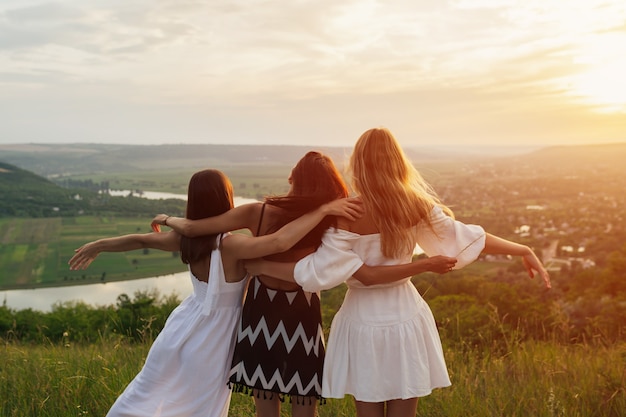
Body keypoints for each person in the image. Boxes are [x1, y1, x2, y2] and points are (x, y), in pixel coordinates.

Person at [244, 127, 552, 417]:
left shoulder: (349, 212)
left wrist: (260, 265)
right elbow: (466, 238)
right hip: (406, 317)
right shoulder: (415, 204)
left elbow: (319, 272)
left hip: (362, 322)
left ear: (358, 165)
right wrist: (522, 249)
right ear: (397, 162)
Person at [149, 152, 455, 417]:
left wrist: (168, 218)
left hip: (261, 307)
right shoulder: (327, 219)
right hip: (302, 306)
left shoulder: (259, 212)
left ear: (295, 178)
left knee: (264, 397)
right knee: (304, 397)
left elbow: (194, 227)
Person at [68, 168, 362, 417]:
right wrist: (322, 209)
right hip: (216, 335)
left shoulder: (183, 240)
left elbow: (138, 239)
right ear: (226, 199)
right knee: (201, 406)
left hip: (182, 326)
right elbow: (279, 243)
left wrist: (100, 245)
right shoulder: (231, 246)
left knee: (151, 391)